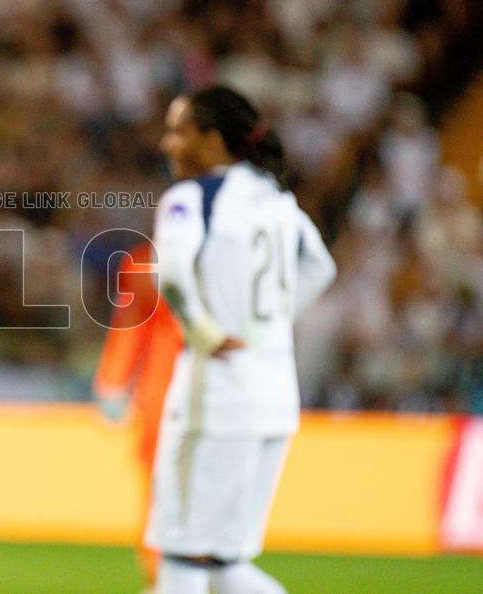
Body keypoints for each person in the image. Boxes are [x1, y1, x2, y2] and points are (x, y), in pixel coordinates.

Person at [148, 85, 336, 594]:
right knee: (227, 564)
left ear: (211, 139)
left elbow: (171, 277)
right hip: (275, 401)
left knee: (184, 559)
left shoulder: (193, 198)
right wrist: (271, 325)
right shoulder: (278, 200)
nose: (167, 144)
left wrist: (206, 333)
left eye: (177, 131)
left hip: (217, 401)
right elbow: (321, 266)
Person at [92, 242, 182, 590]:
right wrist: (113, 381)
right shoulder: (142, 265)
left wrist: (113, 381)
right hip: (171, 384)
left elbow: (130, 323)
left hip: (173, 385)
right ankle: (163, 574)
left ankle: (172, 574)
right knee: (163, 486)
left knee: (166, 487)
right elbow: (131, 323)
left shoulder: (143, 264)